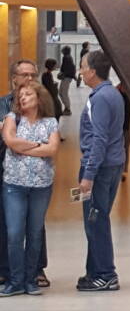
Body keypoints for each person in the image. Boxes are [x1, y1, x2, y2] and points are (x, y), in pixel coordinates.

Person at [0, 81, 59, 297]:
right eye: (20, 96)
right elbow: (11, 142)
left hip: (41, 186)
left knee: (34, 233)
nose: (22, 98)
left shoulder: (50, 122)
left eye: (27, 94)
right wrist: (37, 146)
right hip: (14, 185)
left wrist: (25, 146)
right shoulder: (12, 118)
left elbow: (52, 149)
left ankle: (30, 279)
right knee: (15, 232)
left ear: (39, 97)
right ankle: (15, 280)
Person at [77, 49, 126, 291]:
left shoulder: (100, 99)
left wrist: (88, 175)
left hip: (99, 168)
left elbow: (99, 139)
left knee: (95, 220)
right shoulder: (111, 94)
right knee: (96, 218)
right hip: (112, 165)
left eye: (83, 67)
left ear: (93, 71)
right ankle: (93, 271)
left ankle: (106, 274)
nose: (81, 71)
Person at [41, 59, 63, 125]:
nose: (55, 66)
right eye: (54, 65)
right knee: (56, 113)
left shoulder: (47, 74)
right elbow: (50, 88)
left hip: (51, 97)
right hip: (51, 98)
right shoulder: (47, 75)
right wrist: (55, 86)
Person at [58, 45, 77, 115]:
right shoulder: (68, 57)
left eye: (63, 50)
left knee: (63, 93)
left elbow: (69, 68)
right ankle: (66, 107)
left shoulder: (66, 58)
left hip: (67, 77)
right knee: (61, 92)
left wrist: (62, 74)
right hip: (67, 77)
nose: (61, 51)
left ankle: (68, 109)